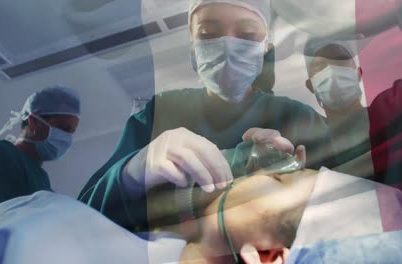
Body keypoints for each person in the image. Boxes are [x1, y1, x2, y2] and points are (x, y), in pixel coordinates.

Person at [79, 0, 335, 232]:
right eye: (208, 34)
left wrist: (299, 188)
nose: (228, 44)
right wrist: (131, 176)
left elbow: (349, 214)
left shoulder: (299, 118)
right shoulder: (159, 112)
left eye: (246, 35)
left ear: (265, 48)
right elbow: (81, 218)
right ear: (193, 47)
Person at [0, 148, 402, 263]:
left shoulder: (43, 239)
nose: (257, 173)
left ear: (266, 257)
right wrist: (129, 177)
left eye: (280, 179)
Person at [303, 0, 402, 262]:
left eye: (340, 61)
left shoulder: (400, 110)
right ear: (310, 86)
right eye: (320, 66)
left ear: (358, 74)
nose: (331, 71)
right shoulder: (306, 148)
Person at [0, 86, 81, 204]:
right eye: (63, 128)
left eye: (72, 131)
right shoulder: (3, 154)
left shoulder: (43, 182)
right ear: (33, 121)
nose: (68, 137)